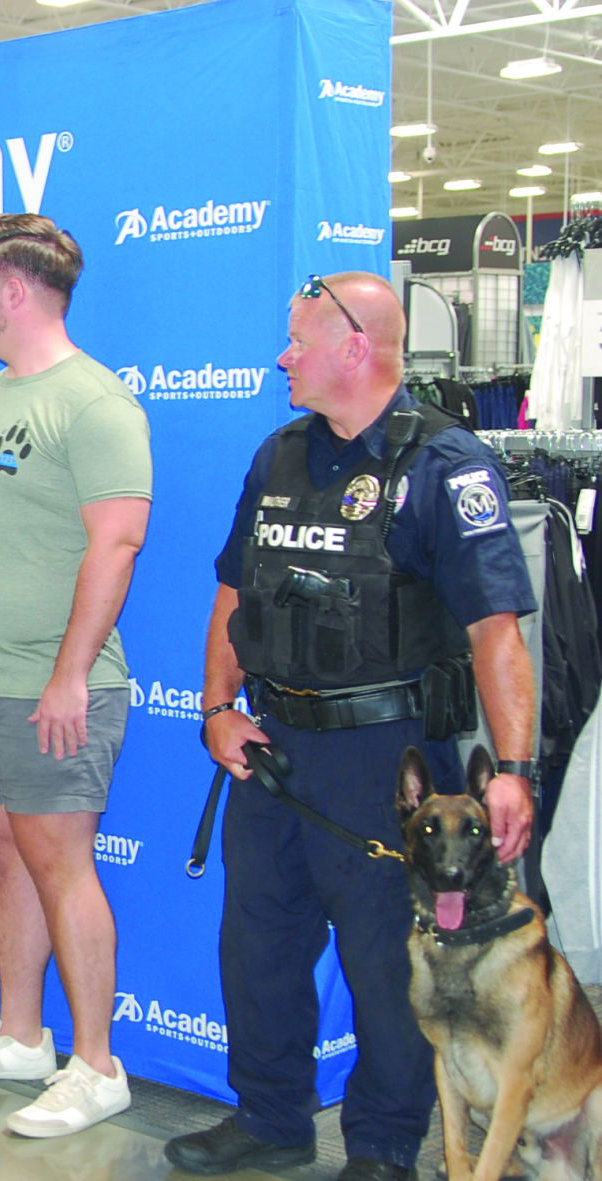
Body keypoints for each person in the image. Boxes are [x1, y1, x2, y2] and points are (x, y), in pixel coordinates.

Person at [163, 273, 536, 1181]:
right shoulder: (277, 455)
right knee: (258, 950)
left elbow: (497, 631)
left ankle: (378, 1146)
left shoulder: (445, 464)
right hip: (272, 753)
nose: (282, 357)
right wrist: (218, 708)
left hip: (388, 759)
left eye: (297, 341)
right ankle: (271, 1115)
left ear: (355, 346)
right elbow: (232, 589)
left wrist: (513, 767)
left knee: (382, 971)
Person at [0, 213, 151, 1139]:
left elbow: (118, 541)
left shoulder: (96, 403)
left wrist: (69, 676)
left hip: (55, 688)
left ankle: (96, 1065)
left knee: (62, 864)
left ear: (14, 291)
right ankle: (20, 1035)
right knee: (7, 854)